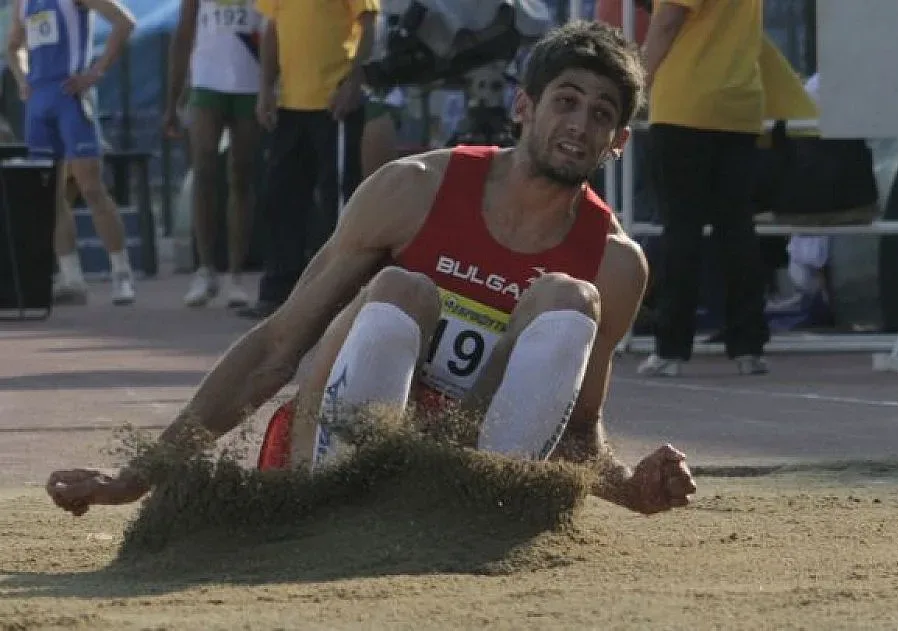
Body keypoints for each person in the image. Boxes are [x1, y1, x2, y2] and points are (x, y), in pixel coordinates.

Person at [46, 21, 697, 518]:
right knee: (401, 289)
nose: (579, 124)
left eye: (601, 115)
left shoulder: (614, 264)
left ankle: (484, 511)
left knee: (567, 299)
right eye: (567, 100)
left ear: (618, 144)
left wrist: (632, 486)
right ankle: (342, 502)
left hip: (457, 472)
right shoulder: (413, 189)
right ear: (525, 107)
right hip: (332, 457)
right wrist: (136, 477)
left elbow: (577, 432)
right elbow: (277, 347)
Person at [637, 0, 770, 377]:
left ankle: (671, 348)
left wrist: (638, 84)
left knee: (682, 228)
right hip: (740, 104)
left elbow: (666, 22)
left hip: (685, 104)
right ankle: (749, 347)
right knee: (738, 228)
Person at [237, 0, 378, 320]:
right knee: (279, 198)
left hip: (334, 103)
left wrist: (355, 82)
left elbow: (369, 26)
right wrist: (265, 88)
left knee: (337, 201)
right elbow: (272, 30)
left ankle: (337, 294)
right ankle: (278, 292)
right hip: (289, 105)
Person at [6, 0, 137, 305]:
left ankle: (121, 273)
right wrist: (23, 80)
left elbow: (124, 22)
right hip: (40, 103)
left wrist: (96, 71)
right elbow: (13, 45)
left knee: (91, 187)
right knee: (48, 194)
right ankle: (71, 277)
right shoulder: (22, 3)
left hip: (72, 97)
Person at [164, 0, 263, 309]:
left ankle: (236, 275)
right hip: (207, 81)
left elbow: (276, 27)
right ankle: (205, 269)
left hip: (250, 79)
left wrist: (274, 83)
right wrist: (172, 100)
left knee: (242, 175)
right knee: (204, 168)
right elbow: (184, 33)